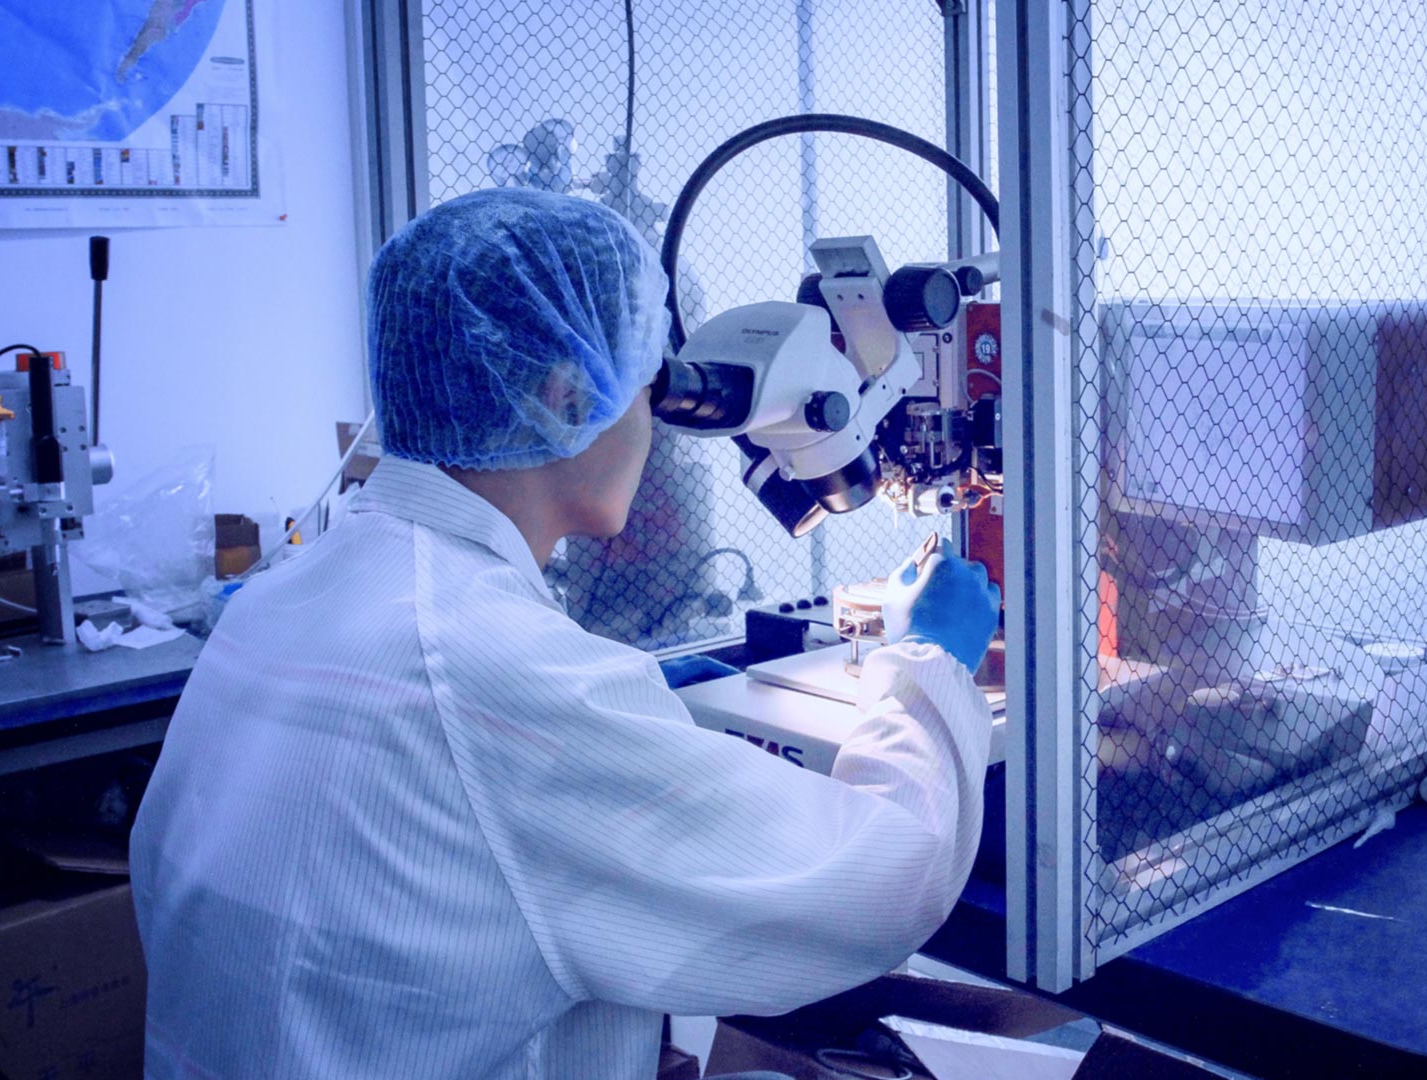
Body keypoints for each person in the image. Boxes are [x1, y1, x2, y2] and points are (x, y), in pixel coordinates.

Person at [128, 188, 1001, 1079]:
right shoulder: (500, 677)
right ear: (566, 394)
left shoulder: (280, 598)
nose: (655, 428)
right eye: (646, 387)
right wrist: (929, 658)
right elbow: (881, 878)